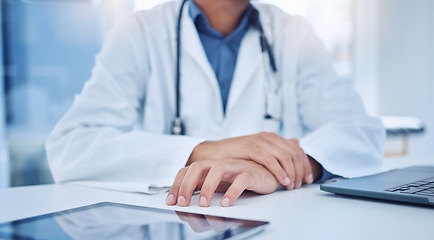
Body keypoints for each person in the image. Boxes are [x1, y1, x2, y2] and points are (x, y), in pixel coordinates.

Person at [46, 0, 385, 207]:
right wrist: (206, 151)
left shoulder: (293, 32)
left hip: (278, 221)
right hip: (175, 221)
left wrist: (276, 168)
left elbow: (361, 133)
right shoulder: (139, 31)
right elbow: (72, 147)